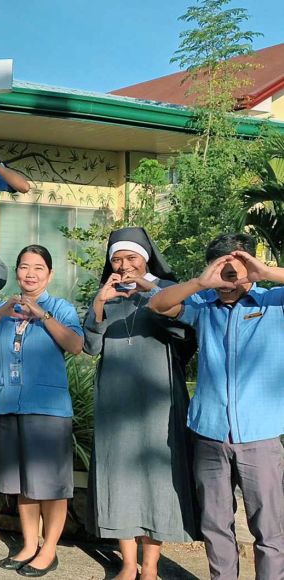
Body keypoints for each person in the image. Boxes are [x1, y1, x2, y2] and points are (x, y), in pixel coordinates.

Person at [149, 233, 284, 580]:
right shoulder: (203, 305)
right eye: (221, 270)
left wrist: (265, 273)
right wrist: (198, 282)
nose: (229, 280)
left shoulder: (274, 302)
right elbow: (158, 305)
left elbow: (266, 281)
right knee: (215, 524)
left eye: (236, 270)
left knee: (269, 528)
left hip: (261, 433)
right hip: (209, 431)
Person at [83, 227, 200, 580]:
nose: (123, 265)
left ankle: (150, 566)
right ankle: (128, 564)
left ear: (146, 260)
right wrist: (100, 303)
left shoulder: (166, 292)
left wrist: (151, 288)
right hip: (115, 403)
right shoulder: (106, 297)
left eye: (131, 258)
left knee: (157, 478)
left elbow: (187, 328)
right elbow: (90, 347)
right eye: (116, 259)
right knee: (117, 476)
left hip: (158, 401)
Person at [0, 245, 84, 577]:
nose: (29, 274)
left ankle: (49, 550)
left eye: (37, 268)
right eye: (23, 267)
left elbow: (76, 346)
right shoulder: (5, 309)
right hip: (10, 405)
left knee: (51, 484)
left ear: (49, 274)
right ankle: (30, 545)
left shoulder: (59, 308)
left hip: (47, 409)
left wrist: (43, 316)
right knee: (23, 484)